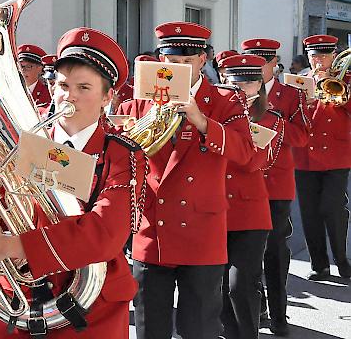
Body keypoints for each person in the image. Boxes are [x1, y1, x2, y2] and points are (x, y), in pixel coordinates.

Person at [0, 27, 148, 338]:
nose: (70, 95)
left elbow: (105, 234)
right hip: (19, 300)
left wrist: (11, 245)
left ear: (107, 97)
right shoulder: (24, 143)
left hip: (90, 309)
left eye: (84, 87)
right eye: (62, 85)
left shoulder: (122, 155)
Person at [118, 21, 255, 339]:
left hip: (201, 231)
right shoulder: (137, 103)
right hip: (153, 228)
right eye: (171, 61)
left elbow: (247, 154)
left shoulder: (226, 101)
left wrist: (202, 121)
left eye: (186, 61)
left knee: (200, 328)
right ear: (160, 60)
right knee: (151, 325)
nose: (177, 68)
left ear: (202, 60)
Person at [241, 38, 310, 336]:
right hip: (243, 184)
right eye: (251, 61)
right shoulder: (233, 92)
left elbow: (302, 138)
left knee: (276, 253)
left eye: (262, 62)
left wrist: (276, 123)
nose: (257, 67)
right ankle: (256, 310)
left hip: (276, 185)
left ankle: (279, 314)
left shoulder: (291, 95)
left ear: (274, 63)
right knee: (246, 256)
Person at [218, 54, 282, 339]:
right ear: (225, 82)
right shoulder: (211, 114)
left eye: (250, 81)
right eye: (236, 82)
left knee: (239, 285)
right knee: (218, 287)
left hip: (249, 213)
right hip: (215, 208)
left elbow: (257, 162)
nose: (243, 87)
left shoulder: (271, 118)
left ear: (260, 85)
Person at [293, 34, 351, 281]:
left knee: (333, 207)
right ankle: (319, 264)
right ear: (308, 56)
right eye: (315, 55)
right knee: (310, 211)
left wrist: (333, 84)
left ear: (333, 55)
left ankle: (341, 259)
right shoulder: (299, 82)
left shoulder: (346, 80)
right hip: (305, 156)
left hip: (337, 156)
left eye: (325, 55)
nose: (320, 61)